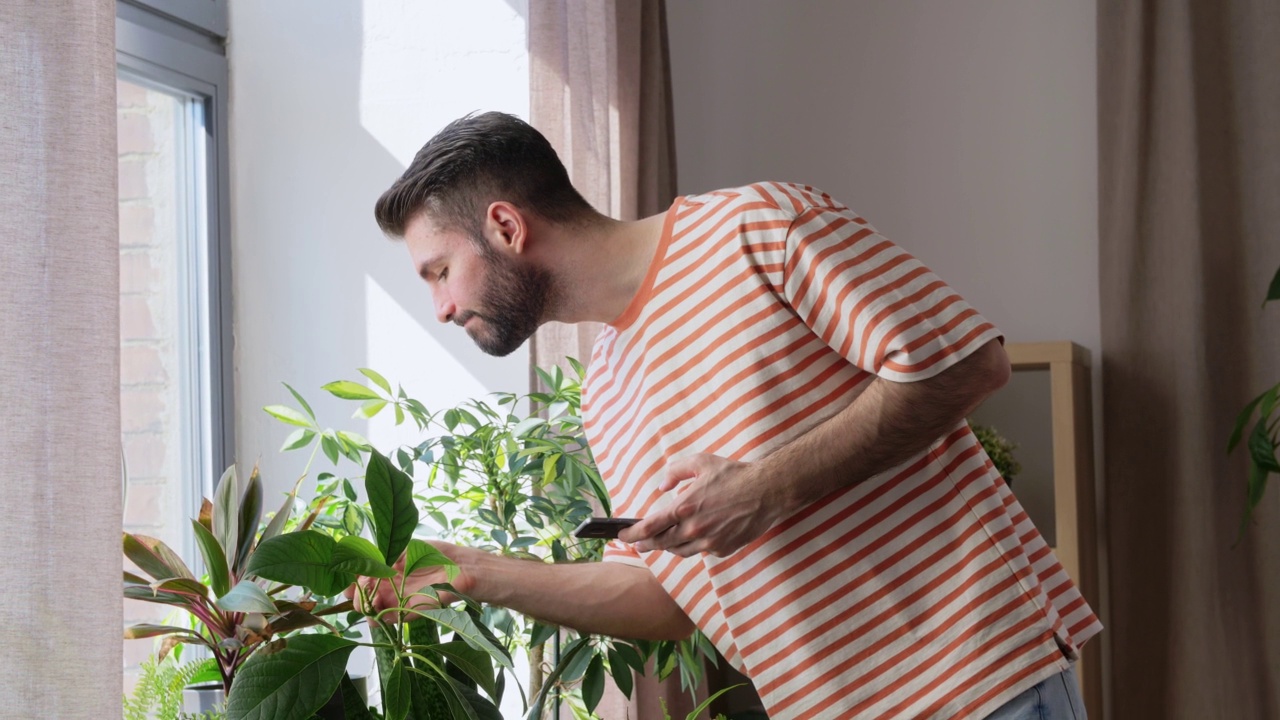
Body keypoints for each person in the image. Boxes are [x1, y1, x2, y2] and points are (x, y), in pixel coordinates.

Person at [365, 111, 1101, 719]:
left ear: (505, 226)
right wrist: (476, 573)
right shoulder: (606, 390)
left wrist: (765, 488)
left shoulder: (757, 228)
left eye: (438, 271)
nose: (442, 308)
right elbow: (664, 597)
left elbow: (968, 363)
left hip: (981, 688)